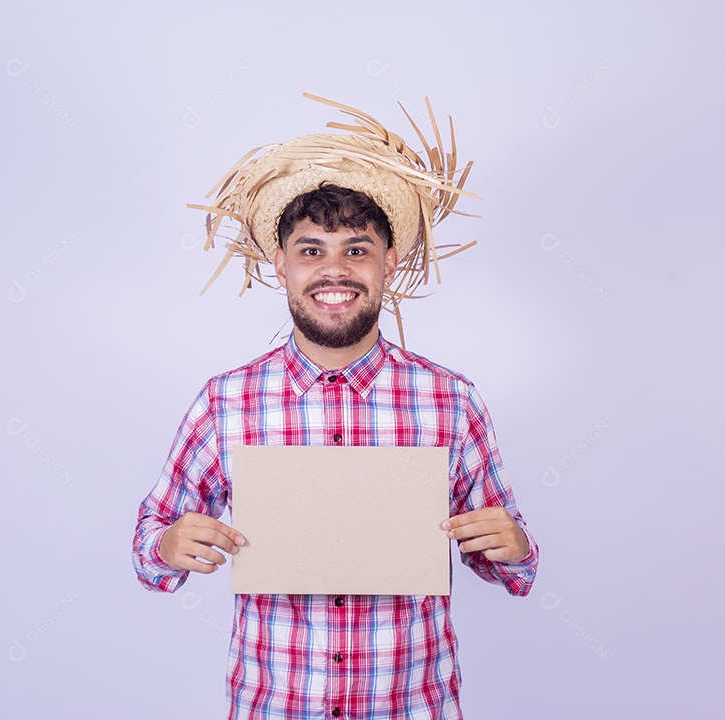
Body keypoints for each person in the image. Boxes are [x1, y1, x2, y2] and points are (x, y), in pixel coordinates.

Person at [133, 95, 538, 720]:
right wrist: (168, 546)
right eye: (311, 250)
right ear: (281, 266)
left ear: (389, 264)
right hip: (276, 707)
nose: (334, 271)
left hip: (413, 706)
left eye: (356, 250)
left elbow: (509, 563)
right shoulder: (225, 401)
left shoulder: (450, 400)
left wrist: (513, 545)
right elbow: (149, 549)